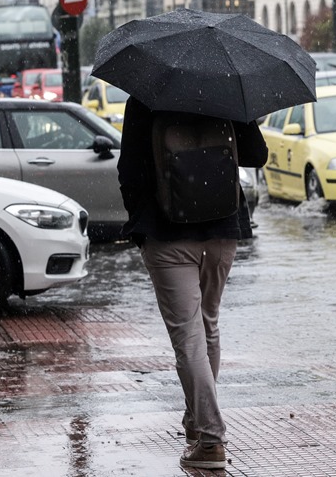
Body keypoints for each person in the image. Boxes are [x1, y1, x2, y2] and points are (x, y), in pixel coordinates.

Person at [117, 97, 268, 470]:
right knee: (207, 326)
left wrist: (141, 222)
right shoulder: (226, 90)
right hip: (222, 229)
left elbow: (129, 170)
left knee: (188, 337)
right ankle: (197, 423)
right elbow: (256, 156)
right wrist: (241, 116)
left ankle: (211, 438)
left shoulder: (147, 97)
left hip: (167, 233)